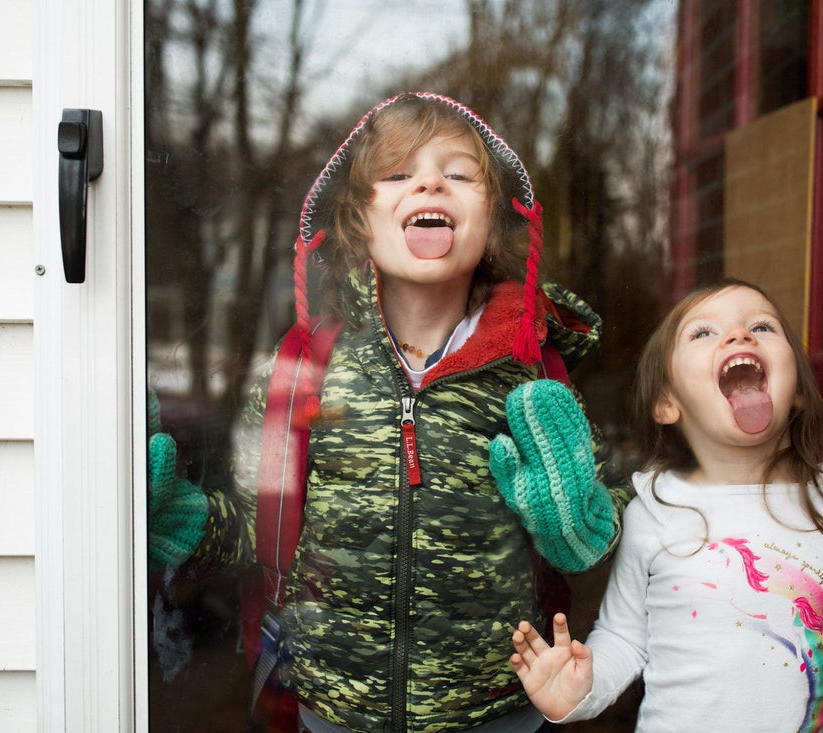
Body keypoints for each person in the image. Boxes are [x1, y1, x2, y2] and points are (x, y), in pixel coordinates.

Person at [147, 92, 629, 732]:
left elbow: (608, 515)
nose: (429, 182)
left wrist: (578, 527)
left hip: (497, 713)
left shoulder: (532, 368)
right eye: (398, 174)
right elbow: (253, 526)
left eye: (458, 175)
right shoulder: (300, 374)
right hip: (334, 712)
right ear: (358, 219)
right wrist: (182, 518)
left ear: (492, 219)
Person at [508, 279, 823, 732]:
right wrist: (579, 694)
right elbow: (625, 638)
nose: (739, 335)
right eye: (704, 332)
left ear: (796, 391)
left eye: (762, 326)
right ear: (668, 403)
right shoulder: (656, 508)